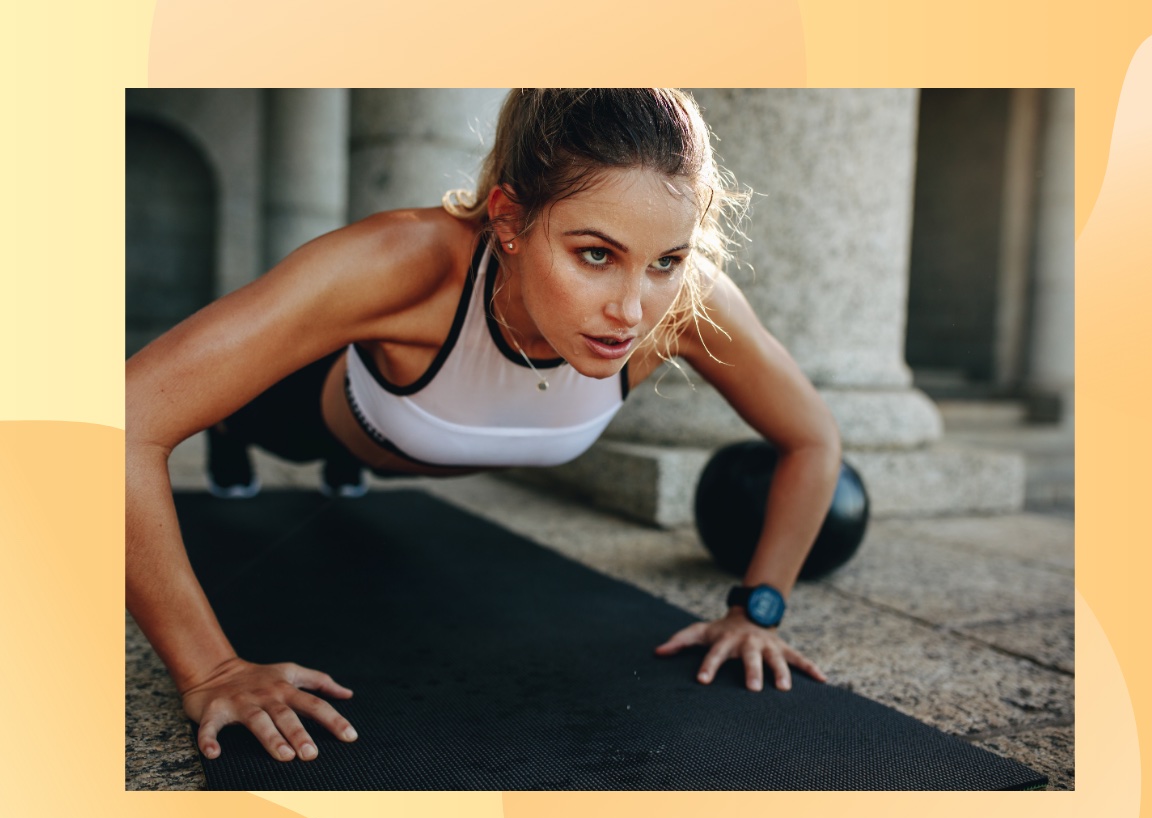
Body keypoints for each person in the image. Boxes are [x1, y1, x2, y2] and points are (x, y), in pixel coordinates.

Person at [126, 88, 843, 765]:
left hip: (406, 442)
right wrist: (211, 671)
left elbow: (812, 439)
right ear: (508, 220)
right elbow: (118, 422)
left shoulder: (690, 303)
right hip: (322, 411)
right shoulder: (403, 265)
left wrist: (760, 607)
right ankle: (232, 431)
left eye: (666, 260)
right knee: (247, 415)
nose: (632, 309)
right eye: (596, 254)